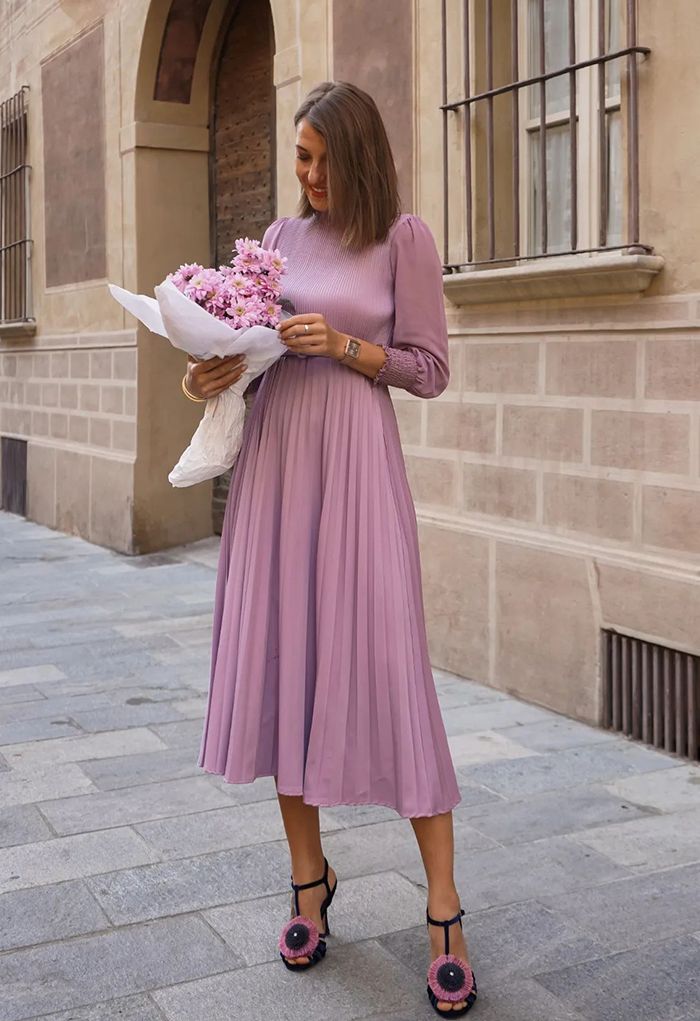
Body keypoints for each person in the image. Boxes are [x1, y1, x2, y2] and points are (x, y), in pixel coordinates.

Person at [187, 80, 477, 1016]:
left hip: (355, 474)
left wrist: (348, 347)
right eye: (296, 157)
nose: (303, 173)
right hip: (275, 472)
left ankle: (443, 909)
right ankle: (309, 882)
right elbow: (244, 351)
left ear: (354, 153)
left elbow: (429, 369)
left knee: (391, 668)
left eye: (316, 157)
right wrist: (209, 369)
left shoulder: (403, 238)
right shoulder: (275, 240)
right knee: (282, 667)